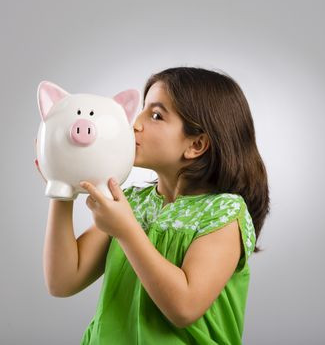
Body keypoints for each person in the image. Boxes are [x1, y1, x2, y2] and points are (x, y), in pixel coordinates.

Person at [36, 67, 270, 344]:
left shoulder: (224, 213)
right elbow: (63, 281)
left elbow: (184, 307)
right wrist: (62, 185)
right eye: (143, 110)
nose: (134, 123)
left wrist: (126, 231)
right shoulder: (132, 201)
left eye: (156, 115)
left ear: (196, 145)